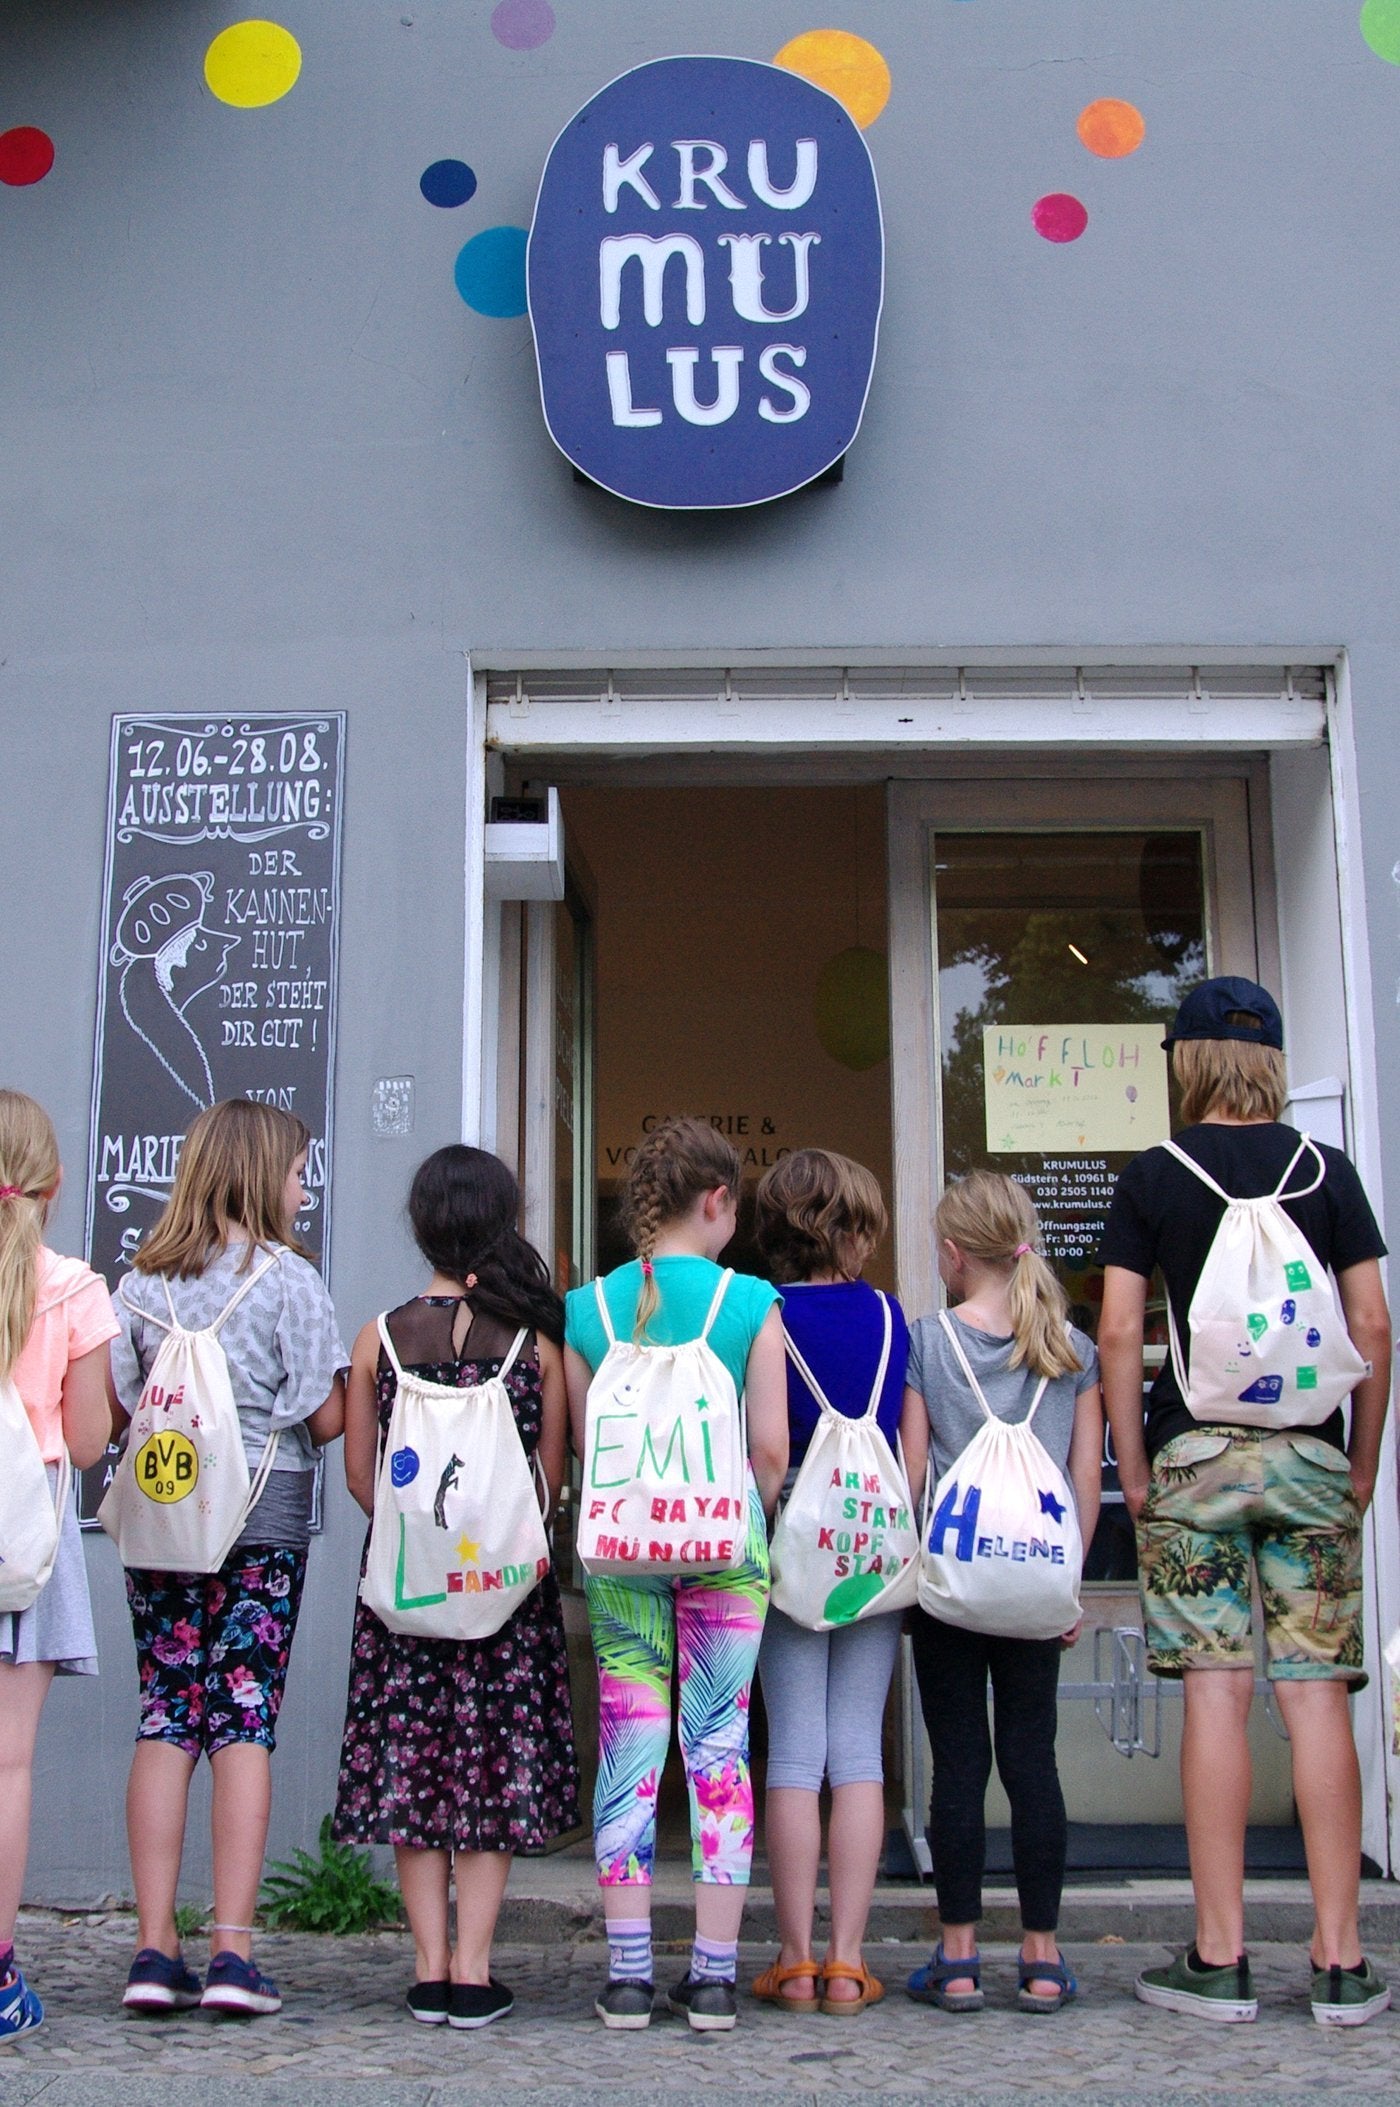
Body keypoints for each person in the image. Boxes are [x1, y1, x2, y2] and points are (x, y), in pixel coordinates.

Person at [1099, 976, 1392, 2027]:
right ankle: (1339, 1958)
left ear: (1182, 1061)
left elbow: (1121, 1335)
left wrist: (1133, 1471)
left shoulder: (1153, 1177)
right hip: (1308, 1458)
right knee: (1314, 1696)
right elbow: (1370, 1323)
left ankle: (1217, 1958)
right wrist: (1357, 1465)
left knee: (1215, 1695)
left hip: (1194, 1464)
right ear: (1268, 1061)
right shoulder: (1328, 1172)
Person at [333, 1145, 579, 2030]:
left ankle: (426, 1966)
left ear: (421, 1224)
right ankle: (475, 1970)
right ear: (501, 1220)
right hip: (504, 1597)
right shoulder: (535, 1345)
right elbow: (548, 1483)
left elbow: (363, 1478)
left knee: (414, 1766)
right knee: (488, 1766)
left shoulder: (380, 1337)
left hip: (405, 1594)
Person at [110, 1099, 346, 2018]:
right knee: (243, 1718)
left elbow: (127, 1404)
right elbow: (321, 1416)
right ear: (261, 1177)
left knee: (166, 1712)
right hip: (260, 1518)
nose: (303, 1187)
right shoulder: (288, 1280)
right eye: (296, 1172)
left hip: (165, 1520)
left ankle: (152, 1945)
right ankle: (234, 1955)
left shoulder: (138, 1281)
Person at [563, 1117, 788, 2033]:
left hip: (623, 1551)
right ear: (717, 1200)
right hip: (725, 1552)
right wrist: (743, 1507)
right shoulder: (750, 1301)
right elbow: (769, 1446)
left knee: (629, 1738)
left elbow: (586, 1447)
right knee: (719, 1746)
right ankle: (714, 1974)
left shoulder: (590, 1309)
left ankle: (625, 1973)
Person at [906, 1169, 1102, 2015]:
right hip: (1035, 1583)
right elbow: (1082, 1478)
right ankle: (1043, 1955)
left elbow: (915, 1474)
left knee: (959, 1761)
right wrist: (1069, 1578)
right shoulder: (1071, 1347)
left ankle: (956, 1959)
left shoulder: (928, 1340)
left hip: (952, 1585)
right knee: (1033, 1759)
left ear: (953, 1254)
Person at [750, 1149, 927, 2017]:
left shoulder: (765, 1318)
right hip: (872, 1551)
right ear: (854, 1230)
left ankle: (793, 1955)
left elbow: (766, 1448)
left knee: (792, 1750)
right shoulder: (895, 1317)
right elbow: (913, 1455)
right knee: (858, 1749)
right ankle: (850, 1961)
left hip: (790, 1554)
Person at [0, 1090, 120, 2041]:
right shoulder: (75, 1288)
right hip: (24, 1543)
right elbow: (87, 1445)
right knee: (9, 1765)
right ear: (54, 1179)